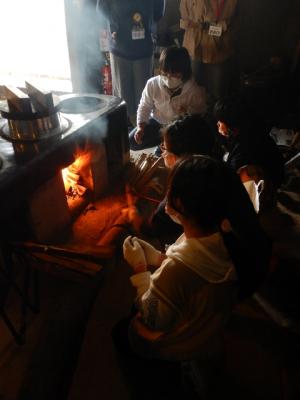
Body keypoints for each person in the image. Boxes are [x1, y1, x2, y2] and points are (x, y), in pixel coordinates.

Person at [121, 155, 238, 362]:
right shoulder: (220, 235)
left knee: (128, 330)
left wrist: (140, 268)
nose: (166, 195)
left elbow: (150, 315)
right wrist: (158, 257)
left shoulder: (173, 273)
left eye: (171, 189)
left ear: (180, 203)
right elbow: (189, 266)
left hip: (179, 342)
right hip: (206, 319)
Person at [148, 114, 216, 242]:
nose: (163, 153)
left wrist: (134, 216)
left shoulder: (181, 193)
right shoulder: (216, 166)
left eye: (165, 148)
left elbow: (154, 227)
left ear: (181, 158)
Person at [97, 0, 165, 124]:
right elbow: (101, 7)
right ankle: (124, 127)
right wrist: (114, 24)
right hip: (119, 46)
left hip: (143, 47)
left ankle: (140, 128)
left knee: (143, 95)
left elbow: (159, 11)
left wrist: (146, 21)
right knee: (122, 95)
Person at [213, 96, 285, 212]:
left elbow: (233, 184)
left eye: (221, 122)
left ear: (233, 126)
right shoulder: (255, 132)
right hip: (274, 182)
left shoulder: (243, 154)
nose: (218, 124)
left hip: (261, 196)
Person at [129, 46, 207, 153]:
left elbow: (199, 116)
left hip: (178, 129)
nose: (169, 78)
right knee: (132, 142)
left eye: (174, 74)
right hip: (158, 122)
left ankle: (165, 145)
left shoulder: (194, 90)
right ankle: (162, 142)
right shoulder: (152, 84)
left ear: (184, 71)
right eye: (165, 73)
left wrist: (187, 112)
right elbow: (145, 106)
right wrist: (140, 128)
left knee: (172, 151)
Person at [179, 0, 239, 106]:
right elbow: (184, 12)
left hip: (218, 46)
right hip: (194, 44)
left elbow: (233, 17)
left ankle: (216, 116)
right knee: (192, 87)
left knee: (218, 91)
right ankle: (195, 118)